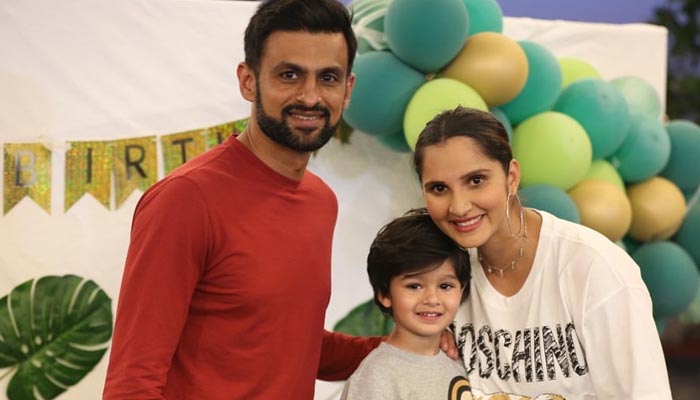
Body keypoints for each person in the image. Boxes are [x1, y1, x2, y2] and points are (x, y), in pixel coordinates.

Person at [102, 1, 385, 398]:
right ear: (248, 80)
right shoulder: (186, 199)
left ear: (348, 89)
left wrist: (406, 351)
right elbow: (133, 381)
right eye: (289, 74)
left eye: (328, 78)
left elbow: (288, 342)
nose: (310, 96)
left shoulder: (321, 201)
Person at [412, 106, 673, 399]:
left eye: (476, 180)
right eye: (438, 188)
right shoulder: (439, 277)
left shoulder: (593, 266)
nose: (458, 206)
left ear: (511, 177)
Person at [341, 209, 474, 400]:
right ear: (385, 294)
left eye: (445, 286)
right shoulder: (377, 378)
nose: (432, 299)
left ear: (461, 291)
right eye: (414, 286)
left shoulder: (462, 361)